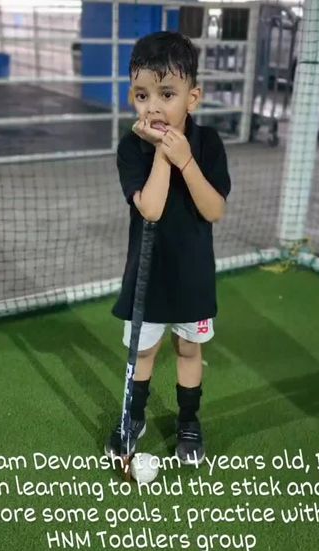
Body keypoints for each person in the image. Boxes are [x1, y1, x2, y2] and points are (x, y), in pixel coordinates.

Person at [105, 31, 231, 465]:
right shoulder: (131, 148)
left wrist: (186, 161)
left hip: (192, 274)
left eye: (167, 94)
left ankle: (188, 422)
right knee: (142, 351)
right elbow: (152, 210)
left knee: (189, 350)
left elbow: (214, 210)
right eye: (142, 95)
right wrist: (162, 153)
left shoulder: (208, 143)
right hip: (147, 276)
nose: (153, 107)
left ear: (192, 98)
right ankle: (134, 417)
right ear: (132, 97)